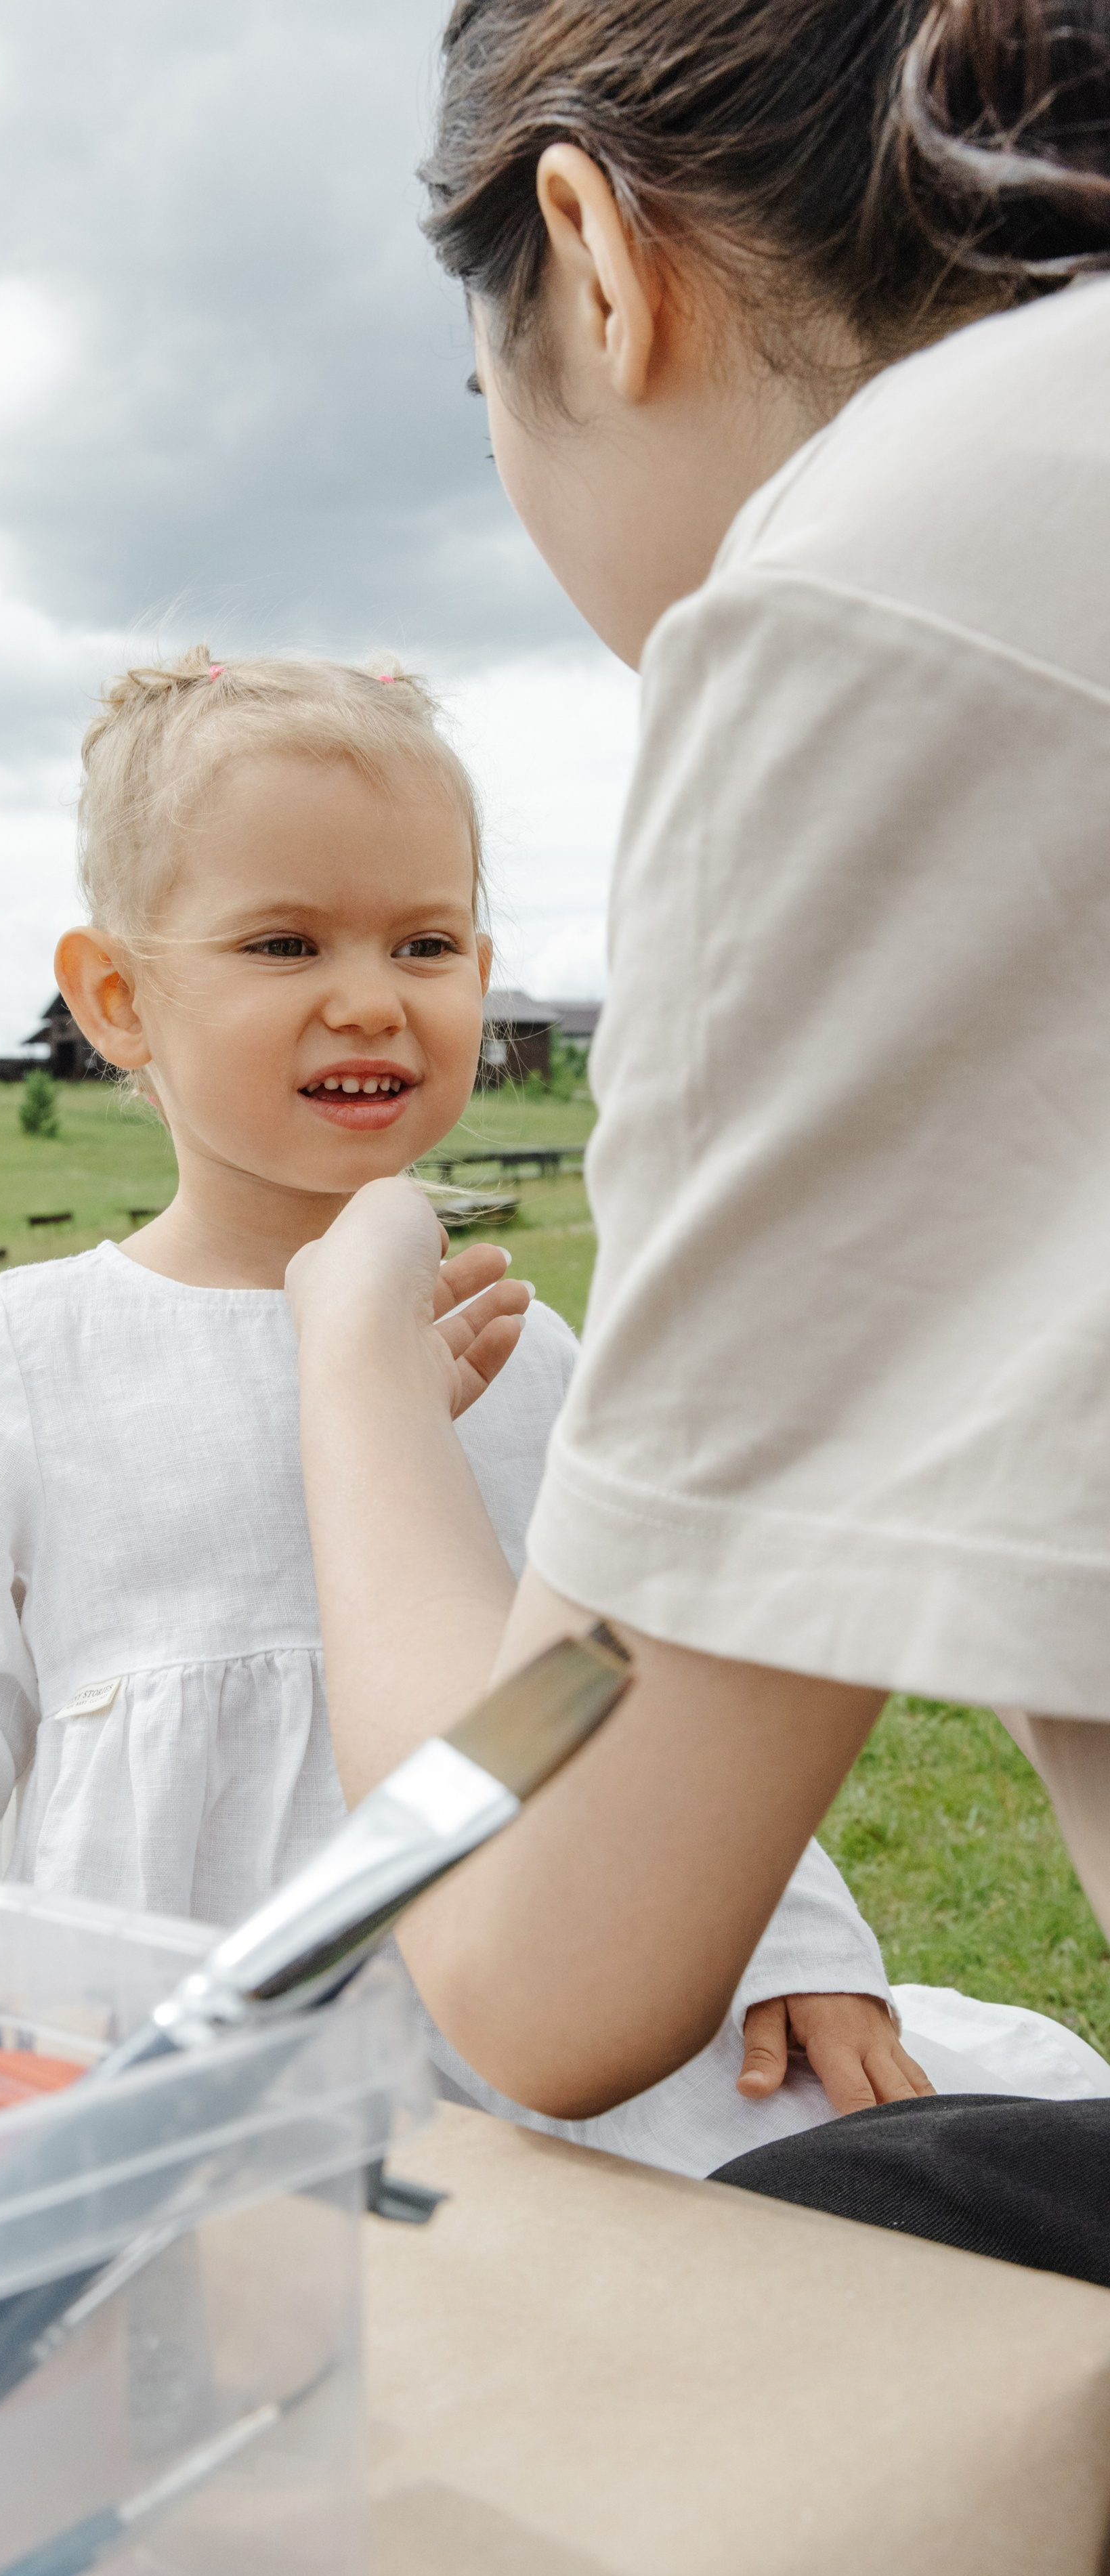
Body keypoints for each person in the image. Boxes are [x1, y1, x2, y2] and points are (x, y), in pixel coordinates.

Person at [0, 649, 1098, 2178]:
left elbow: (649, 1711)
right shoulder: (43, 1345)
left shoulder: (515, 1350)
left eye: (424, 941)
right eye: (282, 943)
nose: (367, 1001)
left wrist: (794, 1938)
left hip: (522, 2047)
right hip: (187, 2051)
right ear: (119, 997)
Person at [286, 0, 1110, 2211]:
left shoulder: (868, 585)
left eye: (490, 428)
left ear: (595, 254)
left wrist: (355, 1365)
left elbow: (544, 1960)